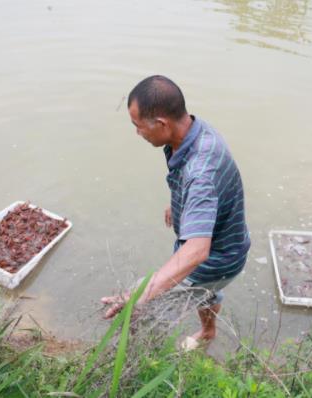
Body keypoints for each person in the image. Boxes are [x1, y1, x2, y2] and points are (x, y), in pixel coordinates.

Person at [101, 75, 250, 349]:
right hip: (227, 239)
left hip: (217, 259)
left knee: (140, 306)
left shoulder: (201, 174)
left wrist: (139, 296)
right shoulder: (192, 132)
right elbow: (195, 183)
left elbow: (196, 252)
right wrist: (181, 202)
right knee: (206, 293)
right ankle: (208, 333)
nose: (137, 133)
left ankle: (143, 361)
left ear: (161, 124)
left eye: (138, 127)